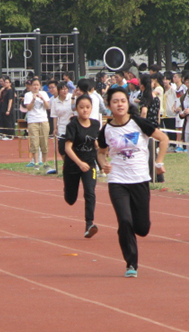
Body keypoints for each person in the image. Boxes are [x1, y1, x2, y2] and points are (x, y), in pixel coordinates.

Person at [97, 87, 169, 278]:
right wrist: (104, 164)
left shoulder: (138, 123)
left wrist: (159, 162)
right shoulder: (106, 130)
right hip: (118, 181)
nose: (119, 104)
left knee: (142, 228)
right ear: (109, 105)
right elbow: (101, 152)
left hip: (140, 179)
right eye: (115, 101)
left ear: (128, 102)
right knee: (124, 220)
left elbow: (163, 139)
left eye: (122, 100)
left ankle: (137, 232)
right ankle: (131, 263)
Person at [63, 94, 100, 238]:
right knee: (70, 199)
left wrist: (102, 152)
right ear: (77, 109)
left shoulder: (96, 124)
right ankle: (68, 191)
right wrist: (79, 163)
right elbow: (67, 148)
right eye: (82, 107)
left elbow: (96, 143)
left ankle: (89, 223)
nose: (85, 110)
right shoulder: (72, 126)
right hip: (73, 166)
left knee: (90, 191)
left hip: (90, 164)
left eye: (88, 107)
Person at [138, 74, 164, 183]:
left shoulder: (144, 98)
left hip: (147, 127)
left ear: (142, 86)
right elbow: (158, 114)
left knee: (148, 153)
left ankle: (151, 176)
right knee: (154, 152)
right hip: (155, 126)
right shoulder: (156, 98)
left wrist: (141, 123)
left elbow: (144, 111)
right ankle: (159, 177)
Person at [24, 78, 51, 168]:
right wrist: (33, 100)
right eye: (34, 85)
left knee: (44, 142)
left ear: (40, 86)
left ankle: (45, 162)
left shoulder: (44, 93)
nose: (35, 87)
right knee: (34, 142)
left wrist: (43, 99)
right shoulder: (28, 95)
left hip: (43, 120)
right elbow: (28, 108)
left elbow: (47, 107)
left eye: (37, 85)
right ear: (31, 86)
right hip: (33, 121)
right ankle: (36, 162)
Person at [51, 81, 74, 158]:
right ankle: (66, 163)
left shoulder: (72, 98)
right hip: (61, 127)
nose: (65, 91)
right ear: (58, 90)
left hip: (72, 127)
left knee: (72, 148)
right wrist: (55, 128)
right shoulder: (55, 101)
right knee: (61, 149)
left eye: (66, 89)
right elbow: (54, 116)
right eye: (62, 89)